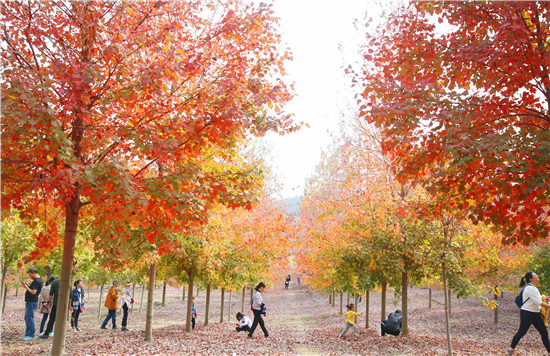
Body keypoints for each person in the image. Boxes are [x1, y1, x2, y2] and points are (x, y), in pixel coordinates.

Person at [508, 272, 550, 355]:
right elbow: (537, 301)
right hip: (527, 313)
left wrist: (546, 299)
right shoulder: (529, 288)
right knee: (522, 332)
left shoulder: (534, 288)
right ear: (531, 279)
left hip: (536, 314)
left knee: (544, 332)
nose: (537, 276)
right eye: (535, 275)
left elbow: (539, 299)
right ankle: (510, 349)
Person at [19, 267, 43, 340]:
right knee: (27, 318)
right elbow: (33, 289)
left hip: (32, 302)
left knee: (30, 318)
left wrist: (26, 287)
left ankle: (32, 335)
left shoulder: (37, 281)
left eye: (30, 275)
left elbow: (33, 292)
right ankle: (28, 333)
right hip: (30, 302)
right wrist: (28, 286)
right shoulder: (37, 280)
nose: (29, 276)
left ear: (34, 273)